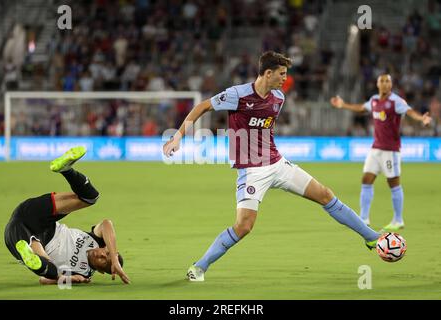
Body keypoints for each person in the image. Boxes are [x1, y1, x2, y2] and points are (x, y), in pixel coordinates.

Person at [163, 51, 382, 282]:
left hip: (278, 164)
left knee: (325, 194)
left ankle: (371, 237)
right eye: (282, 74)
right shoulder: (237, 94)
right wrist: (178, 137)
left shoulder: (278, 98)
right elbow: (202, 108)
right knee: (244, 226)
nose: (285, 79)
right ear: (268, 73)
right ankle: (199, 267)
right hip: (251, 171)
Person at [4, 146, 130, 285]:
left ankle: (28, 255)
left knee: (50, 270)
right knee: (91, 197)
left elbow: (43, 280)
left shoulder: (83, 273)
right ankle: (66, 169)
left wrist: (69, 279)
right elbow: (106, 223)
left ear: (100, 271)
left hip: (26, 239)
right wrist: (114, 256)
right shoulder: (96, 240)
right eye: (106, 254)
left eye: (104, 261)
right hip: (39, 217)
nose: (101, 255)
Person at [330, 74, 432, 231]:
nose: (385, 84)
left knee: (393, 183)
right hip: (375, 149)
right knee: (366, 179)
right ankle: (364, 218)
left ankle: (398, 219)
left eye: (388, 81)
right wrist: (343, 105)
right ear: (377, 84)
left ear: (391, 84)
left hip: (390, 151)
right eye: (382, 81)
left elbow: (410, 112)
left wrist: (422, 119)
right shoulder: (374, 100)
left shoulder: (396, 102)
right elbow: (361, 108)